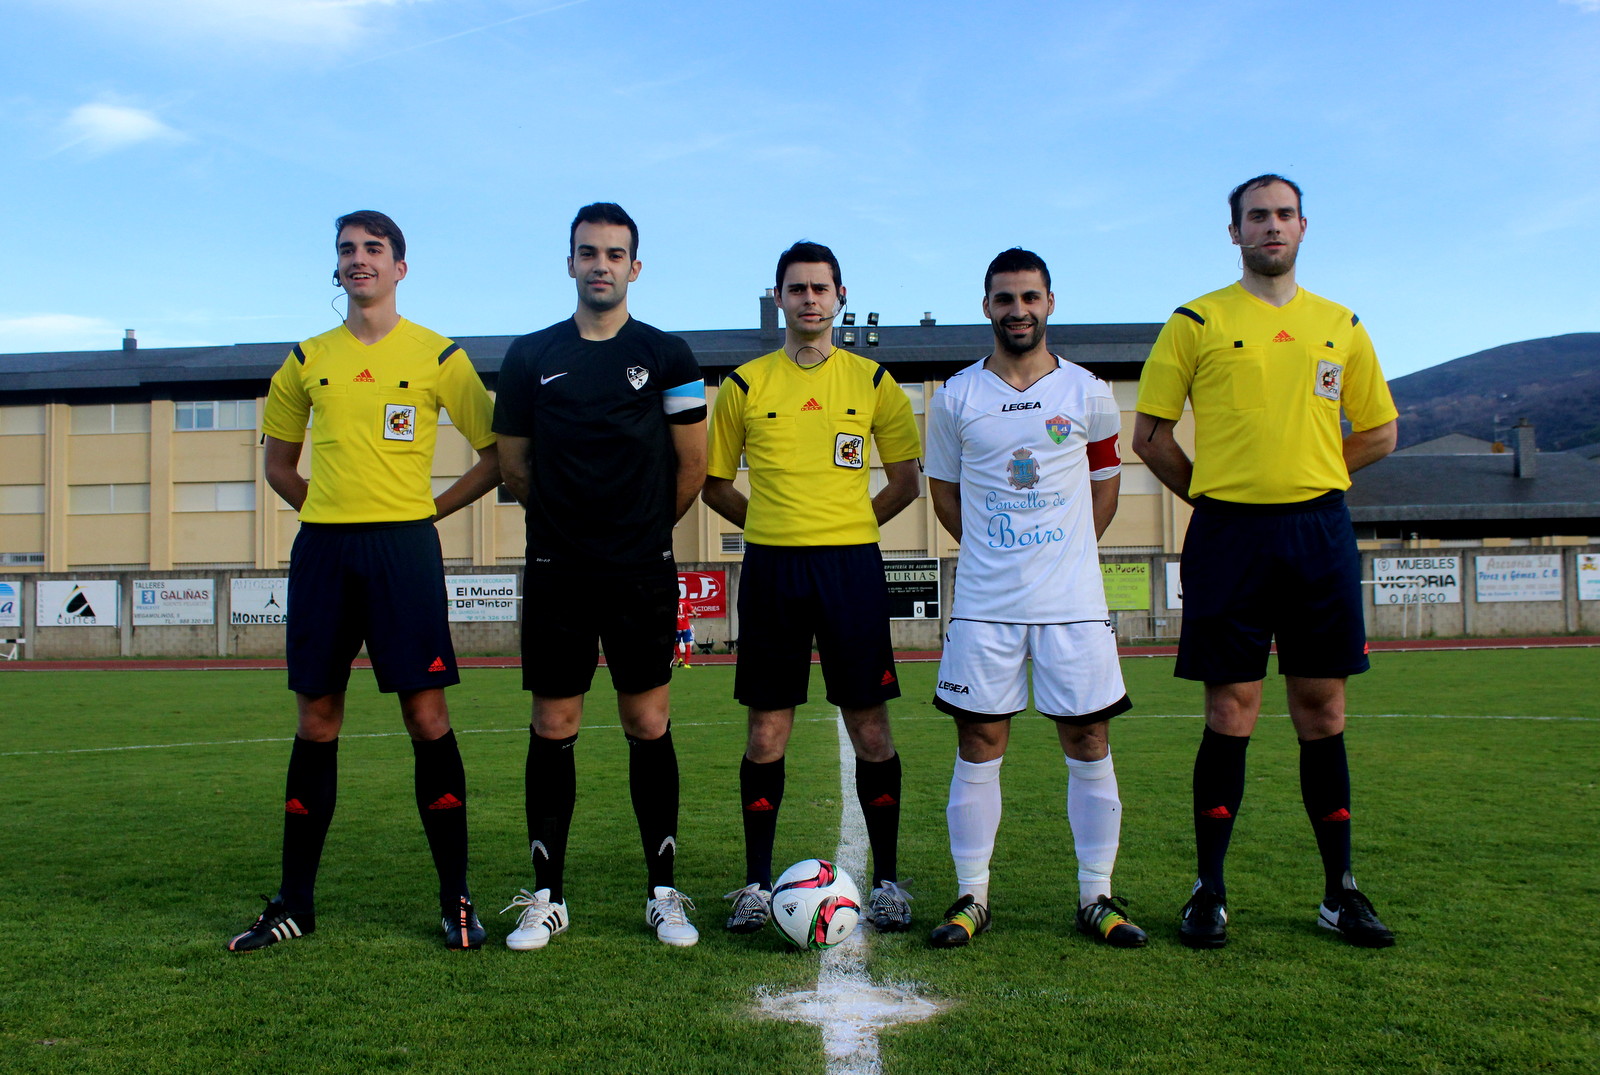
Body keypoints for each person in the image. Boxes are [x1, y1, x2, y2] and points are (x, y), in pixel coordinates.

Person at [1132, 175, 1399, 949]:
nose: (1271, 226)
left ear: (1304, 226)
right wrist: (1215, 494)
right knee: (1231, 710)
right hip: (1230, 535)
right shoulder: (1196, 321)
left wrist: (1313, 471)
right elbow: (1150, 436)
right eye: (1257, 216)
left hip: (1318, 532)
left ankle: (1340, 890)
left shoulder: (1340, 324)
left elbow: (1380, 431)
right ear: (1235, 231)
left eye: (1284, 214)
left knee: (1323, 710)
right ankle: (1209, 889)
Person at [228, 210, 501, 952]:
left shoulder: (439, 356)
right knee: (316, 719)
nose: (359, 259)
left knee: (426, 717)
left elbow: (497, 454)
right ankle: (295, 902)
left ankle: (456, 899)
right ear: (337, 266)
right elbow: (278, 464)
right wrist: (328, 511)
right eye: (347, 249)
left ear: (399, 267)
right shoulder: (305, 359)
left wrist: (427, 511)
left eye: (373, 249)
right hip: (325, 551)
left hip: (403, 551)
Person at [494, 203, 707, 950]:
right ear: (570, 263)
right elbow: (514, 465)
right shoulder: (529, 356)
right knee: (554, 724)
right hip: (559, 569)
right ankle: (546, 898)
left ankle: (663, 893)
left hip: (639, 570)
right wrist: (568, 527)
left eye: (615, 254)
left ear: (634, 268)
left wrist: (639, 532)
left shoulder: (669, 356)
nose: (601, 265)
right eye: (589, 252)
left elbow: (693, 465)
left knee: (647, 722)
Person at [924, 248, 1146, 950]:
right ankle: (972, 897)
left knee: (1088, 740)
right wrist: (996, 553)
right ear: (986, 306)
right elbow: (945, 493)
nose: (1017, 310)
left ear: (1050, 302)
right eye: (1004, 298)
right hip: (985, 603)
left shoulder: (1089, 393)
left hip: (1071, 603)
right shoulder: (956, 397)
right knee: (978, 742)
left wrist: (1065, 553)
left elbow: (1105, 488)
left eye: (1029, 297)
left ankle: (1096, 896)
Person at [703, 241, 922, 935]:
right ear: (779, 298)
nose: (808, 298)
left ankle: (887, 882)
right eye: (795, 288)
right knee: (767, 729)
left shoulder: (874, 381)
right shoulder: (743, 386)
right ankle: (754, 884)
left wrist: (847, 526)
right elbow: (714, 484)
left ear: (840, 296)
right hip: (773, 570)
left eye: (819, 288)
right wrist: (774, 525)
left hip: (850, 569)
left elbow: (906, 481)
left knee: (871, 726)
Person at [675, 597, 695, 668]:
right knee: (687, 645)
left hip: (677, 627)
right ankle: (686, 664)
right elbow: (693, 611)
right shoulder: (686, 602)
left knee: (676, 644)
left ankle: (679, 658)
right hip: (686, 627)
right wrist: (695, 615)